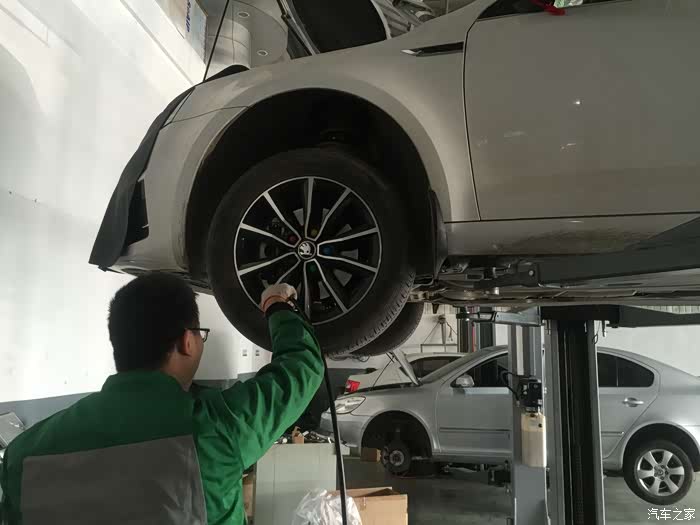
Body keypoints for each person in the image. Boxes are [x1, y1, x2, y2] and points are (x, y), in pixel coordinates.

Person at [0, 273, 323, 525]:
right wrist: (276, 303)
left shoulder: (23, 453)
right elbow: (301, 367)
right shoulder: (217, 427)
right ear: (187, 342)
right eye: (200, 333)